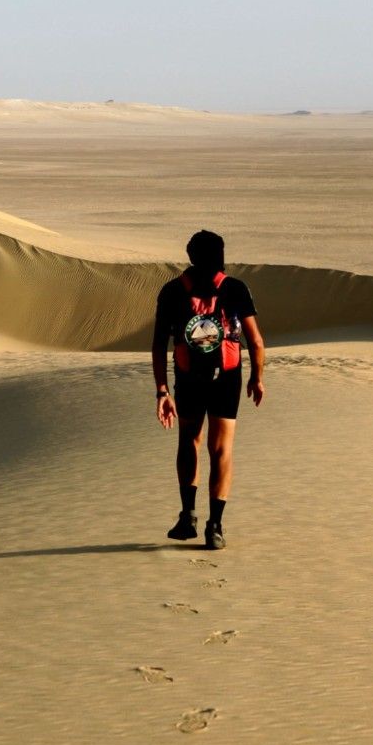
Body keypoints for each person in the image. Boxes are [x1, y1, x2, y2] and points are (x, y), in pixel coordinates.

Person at [151, 230, 265, 549]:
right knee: (221, 448)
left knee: (189, 439)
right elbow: (255, 340)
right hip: (227, 376)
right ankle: (215, 526)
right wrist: (257, 377)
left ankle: (188, 514)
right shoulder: (235, 288)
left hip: (189, 377)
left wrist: (162, 391)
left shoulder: (173, 291)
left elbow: (159, 344)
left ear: (190, 256)